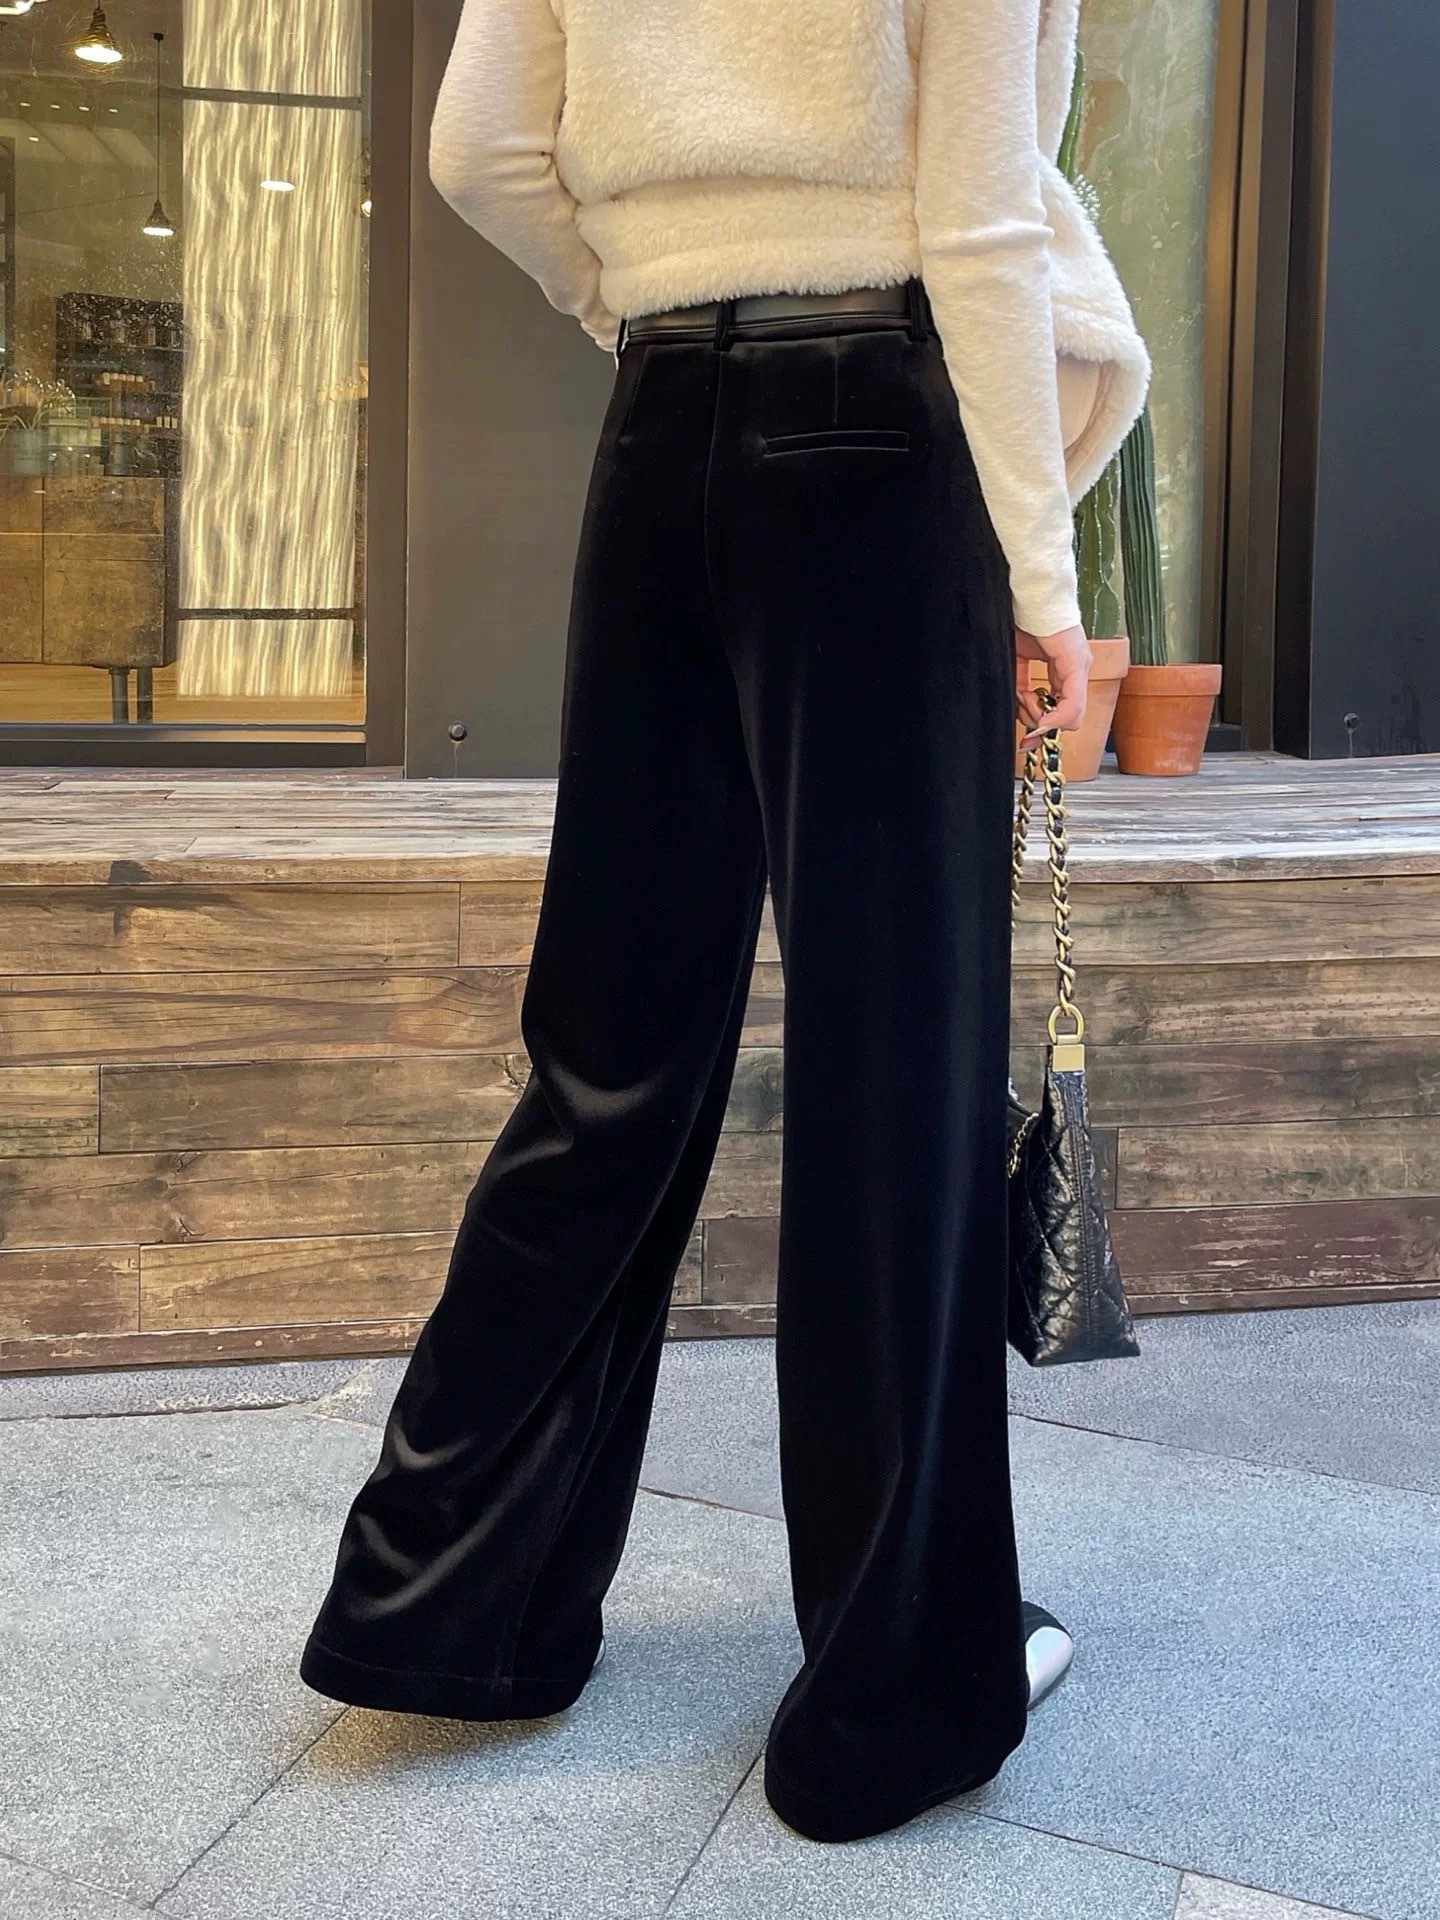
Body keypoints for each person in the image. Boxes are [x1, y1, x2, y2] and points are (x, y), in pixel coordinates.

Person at [300, 0, 1150, 1845]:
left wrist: (647, 302)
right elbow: (980, 210)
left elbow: (479, 149)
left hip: (660, 420)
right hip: (881, 436)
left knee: (607, 1057)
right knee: (893, 1075)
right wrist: (1046, 572)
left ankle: (446, 1606)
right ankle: (890, 1707)